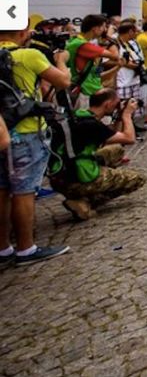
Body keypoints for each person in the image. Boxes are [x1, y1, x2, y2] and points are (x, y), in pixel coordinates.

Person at [0, 20, 72, 265]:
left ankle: (3, 248)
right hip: (27, 130)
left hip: (2, 130)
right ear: (21, 32)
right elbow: (62, 82)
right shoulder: (28, 55)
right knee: (24, 191)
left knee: (1, 190)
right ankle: (25, 248)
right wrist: (61, 60)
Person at [50, 88, 146, 221]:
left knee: (117, 150)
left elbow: (112, 137)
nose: (118, 105)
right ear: (107, 104)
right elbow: (129, 138)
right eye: (116, 103)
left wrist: (118, 117)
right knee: (137, 179)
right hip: (76, 177)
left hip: (60, 173)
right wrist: (127, 115)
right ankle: (85, 202)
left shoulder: (79, 115)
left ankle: (84, 194)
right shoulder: (92, 125)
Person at [66, 14, 118, 106]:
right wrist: (108, 36)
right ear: (95, 28)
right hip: (85, 91)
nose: (104, 30)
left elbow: (97, 71)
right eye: (103, 27)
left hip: (92, 88)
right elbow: (114, 55)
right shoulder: (82, 45)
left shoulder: (80, 42)